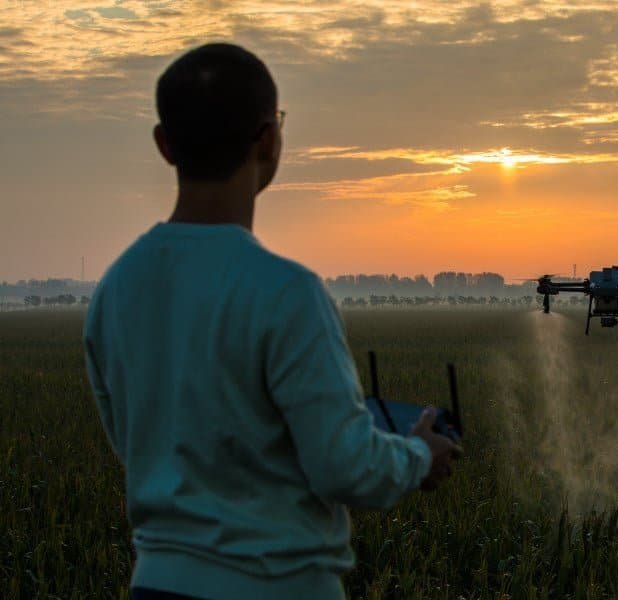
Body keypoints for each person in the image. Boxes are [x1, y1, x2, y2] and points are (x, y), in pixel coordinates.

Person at [82, 43, 461, 600]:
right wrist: (417, 455)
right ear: (269, 140)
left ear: (165, 145)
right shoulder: (287, 293)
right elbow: (342, 465)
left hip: (156, 586)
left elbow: (140, 444)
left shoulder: (115, 289)